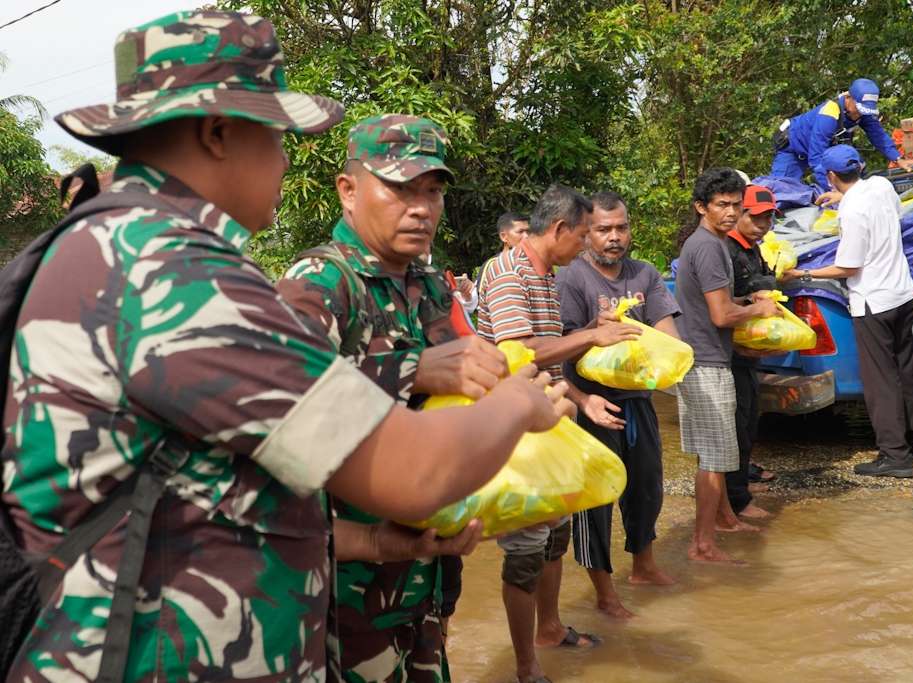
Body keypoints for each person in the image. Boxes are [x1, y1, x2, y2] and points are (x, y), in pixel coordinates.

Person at [1, 12, 571, 682]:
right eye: (277, 136)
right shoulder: (172, 274)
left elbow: (202, 494)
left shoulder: (111, 246)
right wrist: (518, 405)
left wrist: (376, 541)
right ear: (218, 132)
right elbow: (413, 470)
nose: (285, 158)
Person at [277, 114, 506, 681]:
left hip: (423, 579)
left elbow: (451, 405)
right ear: (348, 190)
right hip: (341, 593)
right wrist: (412, 369)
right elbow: (281, 406)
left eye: (432, 191)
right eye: (400, 188)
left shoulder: (426, 283)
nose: (422, 207)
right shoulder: (320, 282)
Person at [477, 184, 640, 683]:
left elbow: (548, 349)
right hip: (517, 433)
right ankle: (526, 668)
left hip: (551, 424)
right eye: (587, 233)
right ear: (561, 230)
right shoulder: (508, 274)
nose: (591, 243)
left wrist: (592, 326)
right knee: (526, 549)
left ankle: (548, 629)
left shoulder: (546, 275)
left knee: (554, 537)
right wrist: (592, 336)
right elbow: (517, 352)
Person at [555, 191, 679, 620]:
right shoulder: (572, 278)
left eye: (621, 227)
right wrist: (596, 327)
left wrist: (664, 349)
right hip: (590, 404)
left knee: (647, 486)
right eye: (603, 229)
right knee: (595, 500)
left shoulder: (645, 275)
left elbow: (669, 338)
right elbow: (562, 347)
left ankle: (643, 567)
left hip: (638, 402)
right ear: (585, 232)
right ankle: (604, 593)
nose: (614, 237)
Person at [781, 146, 913, 478]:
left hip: (874, 303)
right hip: (903, 294)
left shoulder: (850, 213)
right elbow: (883, 208)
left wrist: (802, 274)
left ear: (831, 177)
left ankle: (895, 456)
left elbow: (848, 267)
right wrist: (841, 197)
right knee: (907, 368)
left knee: (880, 380)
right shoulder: (881, 185)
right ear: (862, 167)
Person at [673, 168, 782, 565]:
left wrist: (751, 305)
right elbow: (721, 315)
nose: (732, 212)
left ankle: (723, 522)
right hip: (706, 361)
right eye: (722, 205)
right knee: (717, 456)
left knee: (711, 454)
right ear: (702, 207)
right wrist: (759, 309)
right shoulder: (707, 247)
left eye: (737, 204)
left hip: (702, 358)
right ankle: (703, 545)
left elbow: (722, 306)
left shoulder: (711, 243)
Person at [725, 185, 785, 518]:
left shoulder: (752, 249)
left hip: (749, 351)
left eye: (769, 217)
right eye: (757, 216)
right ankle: (735, 499)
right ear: (739, 213)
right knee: (735, 424)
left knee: (748, 420)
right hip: (730, 349)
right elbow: (721, 303)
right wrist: (753, 301)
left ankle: (741, 484)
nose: (763, 223)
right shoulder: (726, 249)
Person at [770, 78, 913, 197]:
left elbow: (877, 134)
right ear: (848, 98)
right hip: (795, 149)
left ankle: (819, 180)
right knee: (780, 190)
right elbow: (816, 157)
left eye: (865, 110)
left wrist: (898, 159)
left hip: (828, 149)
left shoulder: (861, 111)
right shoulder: (829, 115)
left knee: (856, 166)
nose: (860, 114)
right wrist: (835, 190)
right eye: (858, 109)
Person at [476, 211, 531, 293]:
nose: (526, 236)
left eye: (527, 231)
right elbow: (479, 298)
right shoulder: (492, 264)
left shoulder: (533, 262)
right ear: (503, 236)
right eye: (520, 232)